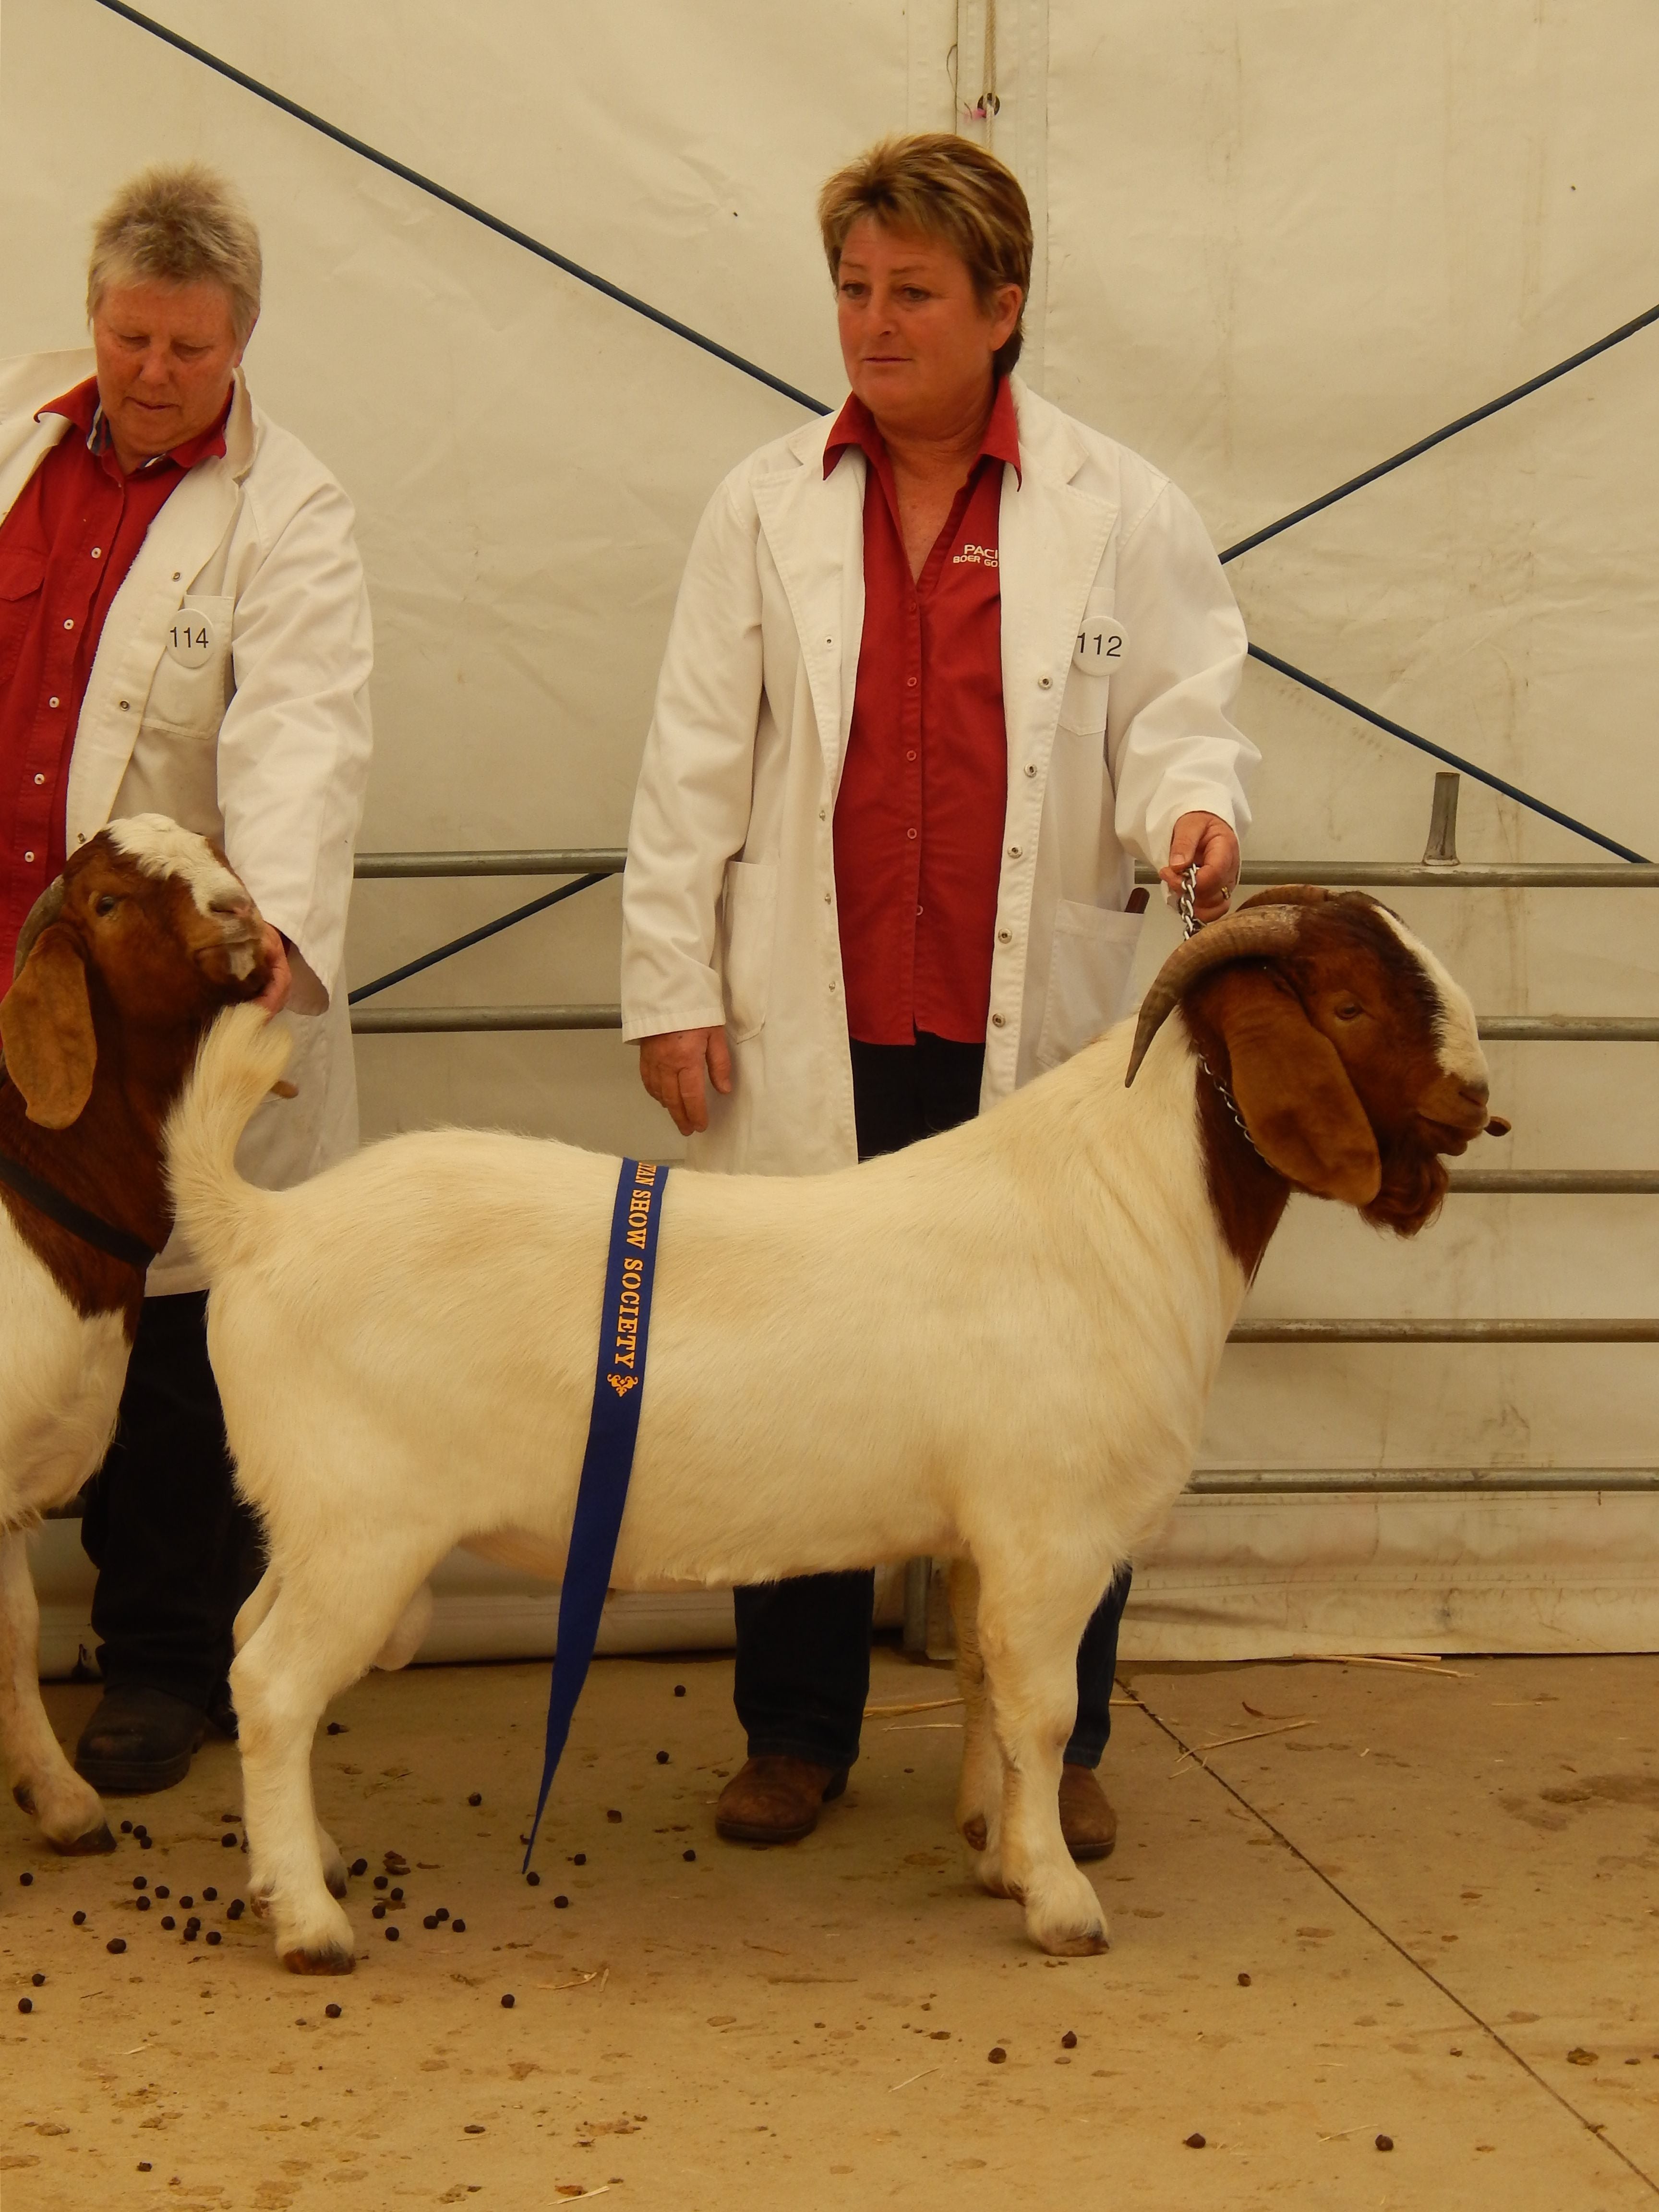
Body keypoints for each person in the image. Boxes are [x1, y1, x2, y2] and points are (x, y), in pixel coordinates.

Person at [621, 134, 1254, 1853]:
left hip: (1033, 1042)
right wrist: (672, 984)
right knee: (798, 1374)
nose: (873, 322)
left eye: (911, 293)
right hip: (813, 1020)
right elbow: (695, 758)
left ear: (1003, 308)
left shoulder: (1119, 507)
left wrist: (1195, 810)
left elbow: (1183, 714)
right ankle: (799, 1732)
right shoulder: (763, 501)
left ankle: (1054, 1742)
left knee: (1072, 1385)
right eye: (852, 289)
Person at [0, 164, 373, 1791]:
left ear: (245, 346)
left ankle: (158, 1665)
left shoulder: (292, 514)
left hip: (151, 995)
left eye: (191, 349)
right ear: (93, 318)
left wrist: (271, 934)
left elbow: (301, 734)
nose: (153, 372)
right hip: (10, 977)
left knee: (163, 1314)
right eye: (131, 336)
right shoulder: (17, 432)